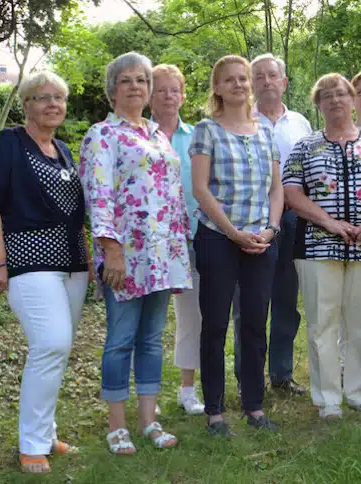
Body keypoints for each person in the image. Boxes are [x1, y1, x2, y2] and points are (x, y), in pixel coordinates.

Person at [79, 52, 192, 453]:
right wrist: (111, 249)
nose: (135, 87)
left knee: (151, 340)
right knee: (121, 340)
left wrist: (180, 249)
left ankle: (148, 421)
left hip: (162, 255)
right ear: (112, 90)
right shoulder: (101, 135)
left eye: (141, 80)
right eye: (125, 80)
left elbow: (173, 196)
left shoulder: (158, 135)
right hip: (125, 254)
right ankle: (116, 425)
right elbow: (99, 194)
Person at [0, 71, 89, 473]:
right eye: (42, 97)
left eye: (58, 97)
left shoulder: (63, 150)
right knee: (51, 343)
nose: (52, 104)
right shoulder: (7, 144)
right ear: (26, 105)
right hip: (28, 260)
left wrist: (89, 258)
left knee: (56, 352)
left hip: (73, 264)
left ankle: (46, 434)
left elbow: (76, 214)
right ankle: (31, 445)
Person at [283, 73, 361, 419]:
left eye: (341, 94)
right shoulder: (304, 147)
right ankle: (327, 399)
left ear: (353, 100)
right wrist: (328, 222)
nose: (335, 100)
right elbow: (291, 192)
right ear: (318, 104)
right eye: (326, 95)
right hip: (318, 247)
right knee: (323, 323)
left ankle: (359, 393)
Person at [190, 55, 283, 436]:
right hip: (217, 237)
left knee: (255, 324)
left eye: (243, 79)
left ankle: (254, 405)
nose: (239, 85)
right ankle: (214, 410)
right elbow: (200, 189)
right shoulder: (206, 130)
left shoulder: (265, 132)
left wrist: (272, 229)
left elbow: (276, 188)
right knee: (214, 325)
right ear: (217, 88)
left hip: (261, 241)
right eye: (229, 80)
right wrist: (232, 232)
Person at [232, 53, 312, 396]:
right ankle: (248, 378)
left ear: (284, 82)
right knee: (248, 303)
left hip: (293, 220)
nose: (266, 81)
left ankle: (281, 375)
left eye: (272, 76)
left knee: (285, 300)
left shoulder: (301, 123)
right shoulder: (239, 121)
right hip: (250, 219)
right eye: (259, 76)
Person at [149, 63, 204, 415]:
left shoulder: (198, 135)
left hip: (194, 238)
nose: (169, 96)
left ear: (183, 95)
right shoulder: (136, 136)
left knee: (192, 316)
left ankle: (188, 388)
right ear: (149, 95)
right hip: (150, 244)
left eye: (175, 89)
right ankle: (145, 394)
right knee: (148, 320)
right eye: (161, 89)